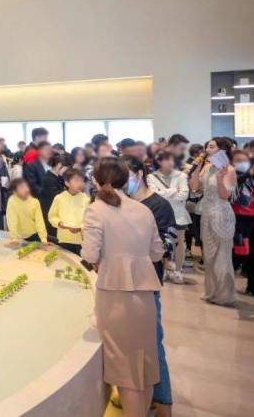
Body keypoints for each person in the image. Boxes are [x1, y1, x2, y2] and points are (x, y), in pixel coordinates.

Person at [82, 157, 163, 417]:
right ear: (126, 179)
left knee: (124, 367)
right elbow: (157, 252)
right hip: (145, 294)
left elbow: (90, 253)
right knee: (144, 363)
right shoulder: (143, 209)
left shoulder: (95, 210)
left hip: (114, 294)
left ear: (95, 180)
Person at [120, 155, 176, 416]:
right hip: (122, 284)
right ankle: (142, 394)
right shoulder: (121, 204)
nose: (122, 183)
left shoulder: (159, 206)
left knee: (154, 343)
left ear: (139, 174)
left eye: (126, 176)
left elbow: (166, 247)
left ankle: (164, 403)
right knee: (129, 345)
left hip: (146, 283)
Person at [190, 137, 237, 306]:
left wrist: (219, 179)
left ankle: (224, 295)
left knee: (222, 255)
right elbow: (194, 187)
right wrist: (197, 168)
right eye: (207, 147)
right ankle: (212, 291)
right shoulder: (207, 166)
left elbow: (225, 196)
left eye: (211, 147)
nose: (207, 150)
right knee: (209, 256)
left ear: (222, 150)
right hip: (206, 213)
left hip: (221, 214)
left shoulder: (229, 169)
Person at [147, 150, 192, 284]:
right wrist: (173, 191)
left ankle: (178, 271)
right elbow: (154, 194)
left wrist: (164, 194)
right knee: (161, 243)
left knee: (179, 243)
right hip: (160, 214)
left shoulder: (181, 176)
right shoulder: (151, 177)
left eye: (172, 159)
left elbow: (184, 195)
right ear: (159, 161)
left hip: (179, 215)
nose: (171, 162)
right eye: (167, 159)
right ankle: (164, 269)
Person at [48, 168, 90, 255]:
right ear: (67, 183)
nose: (80, 184)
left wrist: (81, 227)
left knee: (79, 261)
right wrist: (59, 223)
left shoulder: (86, 199)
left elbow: (89, 220)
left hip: (80, 240)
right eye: (76, 180)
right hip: (63, 239)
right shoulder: (59, 198)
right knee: (65, 260)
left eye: (82, 181)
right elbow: (52, 216)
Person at [231, 150, 254, 293]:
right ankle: (225, 285)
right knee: (238, 252)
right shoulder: (235, 173)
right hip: (239, 218)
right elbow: (235, 185)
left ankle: (251, 286)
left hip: (251, 218)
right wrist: (248, 174)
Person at [39, 153, 70, 240]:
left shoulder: (56, 178)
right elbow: (57, 196)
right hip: (49, 216)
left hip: (53, 215)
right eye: (66, 169)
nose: (66, 172)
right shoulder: (48, 179)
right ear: (59, 165)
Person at [6, 178, 47, 244]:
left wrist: (43, 238)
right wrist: (14, 237)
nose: (26, 189)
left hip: (34, 234)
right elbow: (12, 220)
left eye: (26, 186)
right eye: (21, 188)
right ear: (15, 192)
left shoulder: (35, 202)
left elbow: (39, 221)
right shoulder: (12, 201)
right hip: (19, 237)